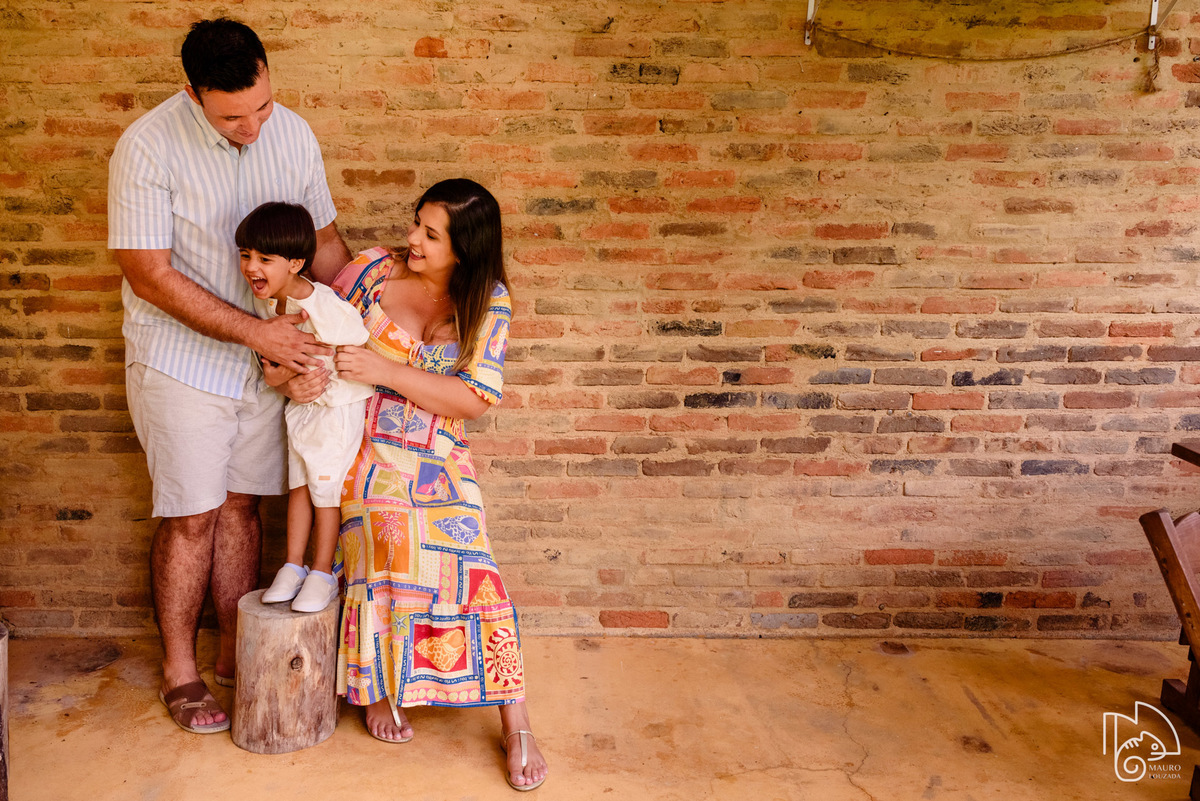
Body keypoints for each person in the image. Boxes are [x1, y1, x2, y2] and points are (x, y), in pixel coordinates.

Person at [107, 18, 351, 734]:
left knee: (244, 508)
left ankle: (235, 656)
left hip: (268, 362)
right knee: (192, 516)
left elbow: (326, 244)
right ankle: (180, 669)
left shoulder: (294, 133)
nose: (252, 127)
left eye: (262, 107)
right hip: (180, 359)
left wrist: (365, 323)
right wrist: (258, 331)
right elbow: (148, 275)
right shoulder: (147, 146)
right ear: (192, 92)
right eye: (232, 116)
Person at [283, 179, 548, 789]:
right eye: (416, 224)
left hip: (438, 452)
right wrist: (288, 379)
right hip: (363, 441)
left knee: (474, 562)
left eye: (431, 234)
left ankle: (516, 720)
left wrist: (384, 368)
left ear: (466, 248)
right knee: (384, 528)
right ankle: (380, 686)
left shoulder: (488, 300)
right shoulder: (373, 273)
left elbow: (473, 397)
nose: (412, 239)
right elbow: (305, 330)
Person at [236, 202, 372, 613]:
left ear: (295, 263)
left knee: (325, 493)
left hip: (333, 409)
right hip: (301, 409)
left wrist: (321, 361)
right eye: (245, 256)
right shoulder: (267, 303)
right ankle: (293, 565)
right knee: (300, 484)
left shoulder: (322, 304)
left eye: (264, 259)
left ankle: (321, 571)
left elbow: (355, 333)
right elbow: (271, 365)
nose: (251, 267)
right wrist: (281, 377)